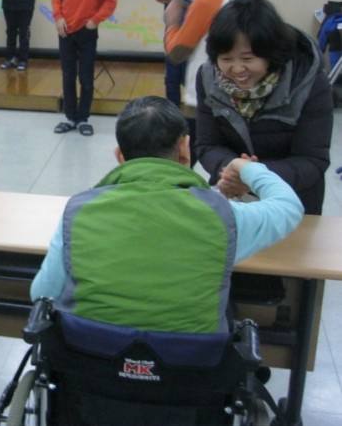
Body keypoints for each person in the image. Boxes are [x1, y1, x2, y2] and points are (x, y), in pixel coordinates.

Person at [31, 95, 303, 333]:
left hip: (90, 361)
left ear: (120, 155)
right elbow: (289, 206)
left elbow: (41, 293)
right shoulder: (224, 217)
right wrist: (243, 166)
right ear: (184, 148)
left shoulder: (79, 210)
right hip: (190, 364)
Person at [196, 0, 332, 215]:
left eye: (248, 58)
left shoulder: (308, 82)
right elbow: (207, 145)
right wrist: (233, 170)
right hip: (233, 195)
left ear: (271, 53)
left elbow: (313, 160)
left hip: (293, 201)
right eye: (227, 59)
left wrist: (253, 176)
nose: (237, 69)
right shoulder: (208, 78)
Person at [163, 0, 252, 163]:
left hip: (205, 94)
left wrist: (172, 21)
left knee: (187, 159)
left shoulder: (207, 1)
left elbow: (177, 52)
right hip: (233, 93)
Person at [51, 0, 117, 136]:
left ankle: (83, 118)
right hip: (65, 30)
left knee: (86, 78)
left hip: (87, 30)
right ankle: (70, 117)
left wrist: (95, 20)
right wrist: (58, 17)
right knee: (68, 76)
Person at [149, 0, 199, 106]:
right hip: (172, 34)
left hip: (191, 36)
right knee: (171, 78)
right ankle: (173, 110)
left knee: (188, 76)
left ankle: (194, 108)